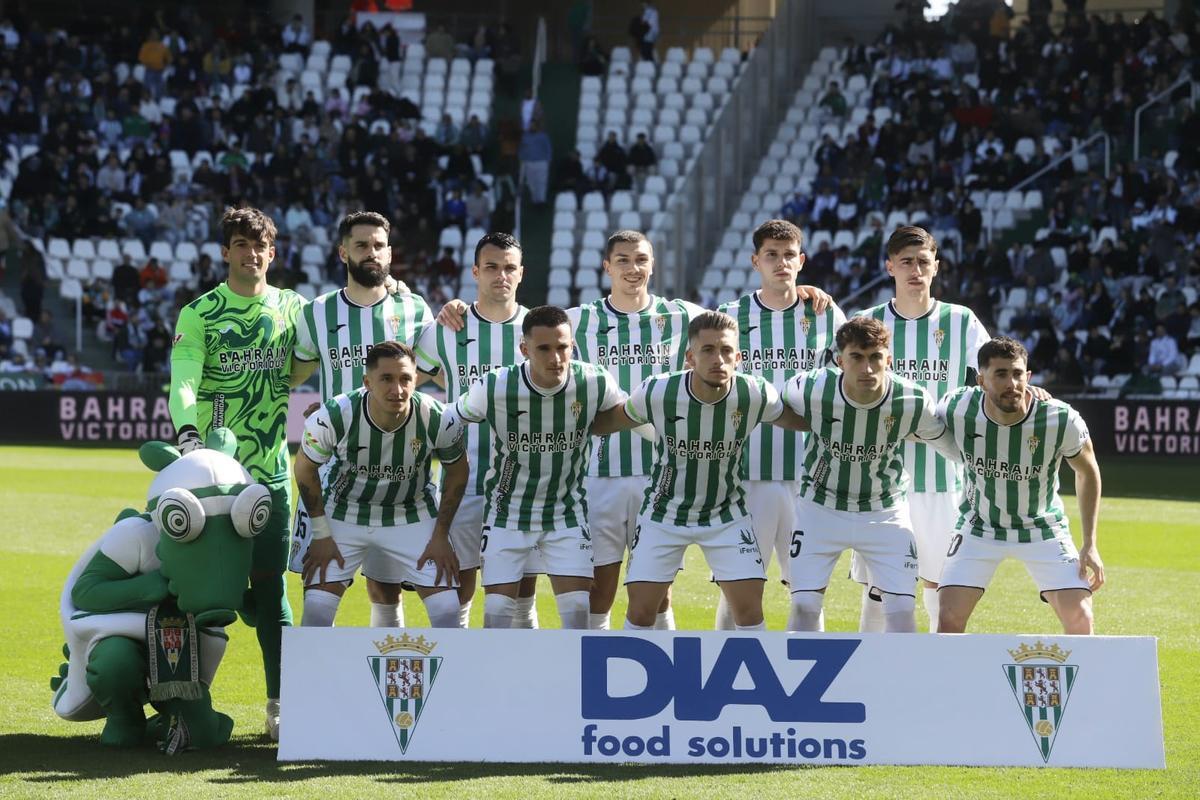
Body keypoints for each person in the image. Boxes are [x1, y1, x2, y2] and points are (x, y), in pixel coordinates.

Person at [169, 206, 306, 741]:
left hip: (271, 477)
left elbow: (320, 353)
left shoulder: (293, 308)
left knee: (272, 595)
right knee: (202, 599)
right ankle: (188, 707)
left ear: (273, 253)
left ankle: (281, 705)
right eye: (241, 244)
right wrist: (187, 436)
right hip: (213, 481)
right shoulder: (200, 313)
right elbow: (183, 382)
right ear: (225, 252)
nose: (252, 253)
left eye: (261, 245)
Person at [592, 311, 810, 630]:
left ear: (738, 357)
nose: (718, 359)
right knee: (640, 614)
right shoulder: (658, 391)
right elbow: (611, 420)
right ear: (690, 357)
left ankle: (751, 679)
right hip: (664, 514)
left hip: (726, 515)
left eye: (725, 351)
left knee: (750, 615)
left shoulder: (755, 392)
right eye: (707, 350)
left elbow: (796, 420)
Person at [288, 211, 433, 631]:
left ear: (390, 252)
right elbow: (296, 372)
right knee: (320, 580)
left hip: (399, 465)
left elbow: (427, 369)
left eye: (379, 245)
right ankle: (310, 692)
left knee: (386, 584)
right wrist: (323, 409)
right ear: (343, 252)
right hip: (333, 467)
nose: (372, 253)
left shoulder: (414, 308)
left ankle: (385, 675)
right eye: (362, 246)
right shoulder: (318, 312)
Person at [448, 305, 627, 630]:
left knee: (577, 617)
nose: (556, 358)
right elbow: (447, 420)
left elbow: (635, 415)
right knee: (497, 617)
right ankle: (501, 681)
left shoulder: (594, 381)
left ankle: (571, 680)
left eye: (563, 347)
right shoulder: (495, 386)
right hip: (507, 515)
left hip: (566, 515)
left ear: (573, 345)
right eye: (544, 349)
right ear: (524, 349)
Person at [851, 226, 991, 632]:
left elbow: (991, 378)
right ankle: (869, 672)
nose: (915, 269)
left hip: (943, 479)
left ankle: (933, 675)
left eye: (923, 261)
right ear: (890, 266)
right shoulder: (869, 322)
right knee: (879, 587)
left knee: (939, 584)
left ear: (936, 268)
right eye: (906, 261)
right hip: (880, 481)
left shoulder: (962, 322)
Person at [712, 219, 845, 629]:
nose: (781, 262)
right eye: (771, 254)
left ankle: (803, 680)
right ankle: (723, 676)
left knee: (807, 593)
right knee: (737, 591)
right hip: (745, 472)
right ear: (756, 261)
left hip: (810, 475)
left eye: (789, 255)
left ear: (801, 261)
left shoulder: (825, 314)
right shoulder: (730, 317)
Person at [784, 316, 952, 634]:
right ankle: (803, 682)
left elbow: (947, 442)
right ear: (839, 360)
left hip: (884, 510)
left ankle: (896, 683)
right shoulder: (809, 388)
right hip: (820, 507)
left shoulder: (913, 400)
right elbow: (773, 409)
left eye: (875, 357)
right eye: (857, 358)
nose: (867, 368)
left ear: (888, 359)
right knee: (805, 606)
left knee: (902, 611)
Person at [936, 337, 1104, 634]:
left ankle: (1086, 682)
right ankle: (948, 681)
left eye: (1017, 374)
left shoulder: (1059, 418)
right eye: (1000, 374)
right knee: (948, 616)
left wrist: (1089, 543)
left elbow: (1088, 472)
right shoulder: (957, 407)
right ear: (981, 380)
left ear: (1028, 376)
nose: (1011, 383)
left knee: (1081, 618)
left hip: (1042, 527)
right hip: (979, 526)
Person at [295, 342, 467, 630]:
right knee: (316, 612)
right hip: (344, 512)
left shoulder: (438, 417)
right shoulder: (334, 415)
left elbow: (459, 472)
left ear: (415, 379)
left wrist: (440, 535)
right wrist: (322, 534)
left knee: (448, 611)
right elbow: (304, 468)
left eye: (405, 379)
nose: (397, 390)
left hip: (412, 512)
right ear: (368, 382)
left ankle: (450, 676)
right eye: (386, 379)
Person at [415, 232, 529, 627]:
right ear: (476, 272)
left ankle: (520, 682)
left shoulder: (537, 332)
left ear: (521, 274)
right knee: (459, 586)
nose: (501, 275)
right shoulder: (447, 328)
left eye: (510, 268)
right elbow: (406, 383)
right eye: (492, 267)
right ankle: (462, 678)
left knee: (520, 592)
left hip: (524, 484)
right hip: (462, 479)